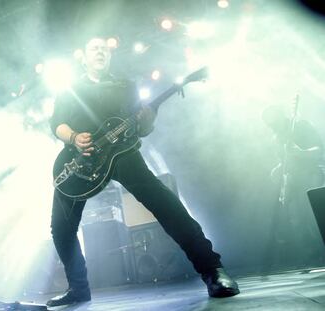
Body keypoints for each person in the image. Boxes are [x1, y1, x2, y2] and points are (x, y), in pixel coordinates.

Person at [47, 37, 239, 307]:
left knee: (166, 204)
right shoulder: (71, 88)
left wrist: (148, 120)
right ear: (84, 57)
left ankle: (212, 270)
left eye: (105, 48)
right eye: (94, 48)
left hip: (123, 155)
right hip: (79, 162)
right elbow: (57, 123)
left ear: (110, 56)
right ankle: (78, 288)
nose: (100, 52)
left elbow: (143, 128)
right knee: (60, 227)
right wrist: (74, 137)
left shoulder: (126, 86)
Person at [262, 105, 325, 266]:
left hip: (311, 175)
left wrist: (301, 152)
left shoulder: (301, 126)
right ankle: (314, 255)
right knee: (298, 220)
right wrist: (278, 169)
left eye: (273, 121)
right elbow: (285, 162)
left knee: (314, 215)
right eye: (269, 124)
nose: (272, 126)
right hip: (293, 181)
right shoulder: (276, 138)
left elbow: (319, 149)